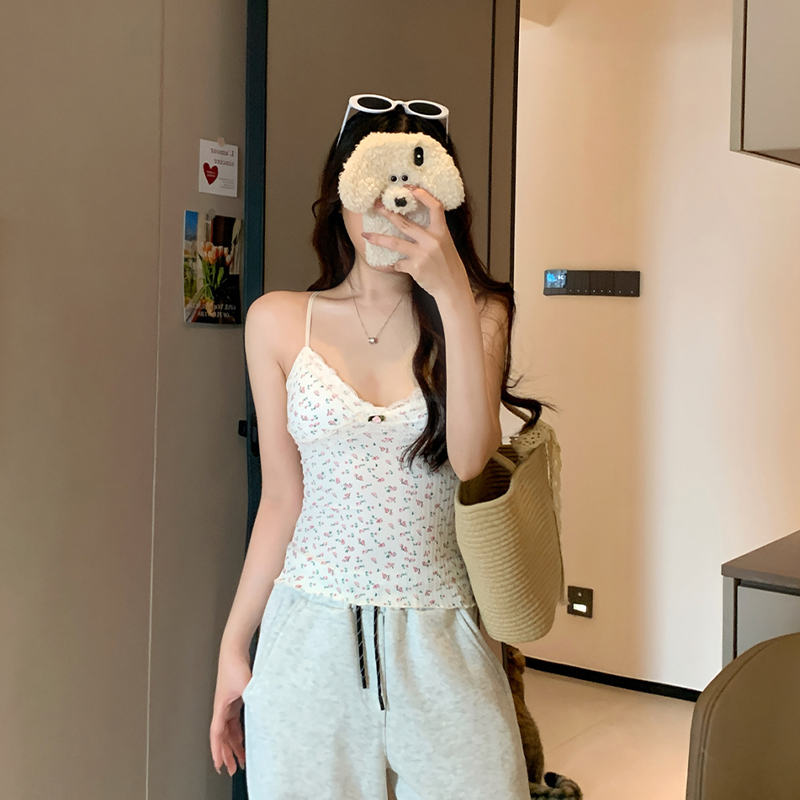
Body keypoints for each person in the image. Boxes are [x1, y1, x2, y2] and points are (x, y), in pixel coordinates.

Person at [209, 95, 545, 799]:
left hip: (444, 633)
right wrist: (234, 647)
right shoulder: (278, 321)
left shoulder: (482, 314)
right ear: (340, 192)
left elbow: (471, 461)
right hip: (309, 635)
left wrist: (451, 292)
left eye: (411, 188)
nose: (386, 208)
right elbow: (281, 500)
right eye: (369, 183)